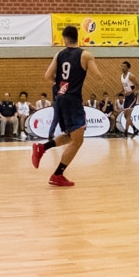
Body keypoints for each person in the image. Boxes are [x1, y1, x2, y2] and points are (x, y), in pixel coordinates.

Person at [32, 24, 94, 187]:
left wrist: (60, 84)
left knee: (71, 136)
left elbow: (48, 75)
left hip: (60, 98)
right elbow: (98, 76)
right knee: (78, 140)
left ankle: (42, 148)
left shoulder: (59, 55)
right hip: (73, 99)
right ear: (77, 37)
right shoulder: (85, 54)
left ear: (65, 39)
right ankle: (57, 174)